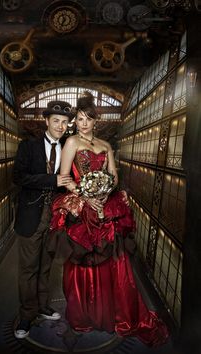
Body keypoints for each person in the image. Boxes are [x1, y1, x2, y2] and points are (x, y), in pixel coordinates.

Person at [48, 92, 169, 347]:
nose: (83, 123)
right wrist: (85, 194)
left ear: (95, 122)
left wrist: (105, 190)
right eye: (79, 119)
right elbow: (64, 177)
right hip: (83, 208)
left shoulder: (105, 146)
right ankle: (85, 316)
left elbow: (113, 175)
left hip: (106, 205)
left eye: (87, 119)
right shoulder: (70, 143)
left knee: (113, 263)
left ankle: (111, 314)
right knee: (84, 263)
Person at [13, 100, 74, 339]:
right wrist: (53, 181)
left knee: (46, 265)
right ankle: (27, 315)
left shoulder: (69, 148)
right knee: (28, 269)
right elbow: (18, 177)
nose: (60, 126)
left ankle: (43, 305)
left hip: (55, 218)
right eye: (56, 121)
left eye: (65, 122)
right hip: (31, 216)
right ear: (46, 121)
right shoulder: (28, 146)